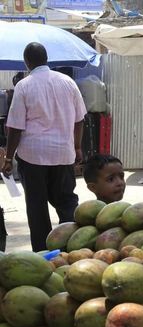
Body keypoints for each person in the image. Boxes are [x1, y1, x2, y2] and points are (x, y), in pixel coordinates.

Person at [2, 43, 84, 252]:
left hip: (33, 157)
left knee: (37, 209)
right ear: (47, 59)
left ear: (27, 62)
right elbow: (79, 119)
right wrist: (78, 147)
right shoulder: (68, 82)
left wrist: (9, 158)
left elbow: (15, 127)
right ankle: (74, 248)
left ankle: (42, 253)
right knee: (66, 203)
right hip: (64, 154)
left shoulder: (24, 86)